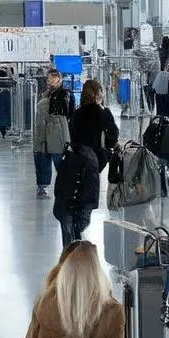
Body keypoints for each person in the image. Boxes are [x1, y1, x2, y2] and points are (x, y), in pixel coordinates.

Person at [54, 79, 118, 245]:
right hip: (92, 164)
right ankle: (78, 231)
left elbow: (72, 136)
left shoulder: (77, 113)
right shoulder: (102, 112)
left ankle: (71, 243)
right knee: (86, 202)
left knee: (74, 196)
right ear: (98, 94)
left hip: (74, 162)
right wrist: (106, 153)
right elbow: (113, 134)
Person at [32, 69, 75, 198]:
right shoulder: (44, 95)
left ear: (59, 80)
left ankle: (65, 186)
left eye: (53, 79)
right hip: (42, 132)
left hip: (58, 133)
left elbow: (69, 113)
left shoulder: (65, 94)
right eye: (48, 79)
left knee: (60, 160)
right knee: (42, 159)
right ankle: (42, 186)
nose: (49, 82)